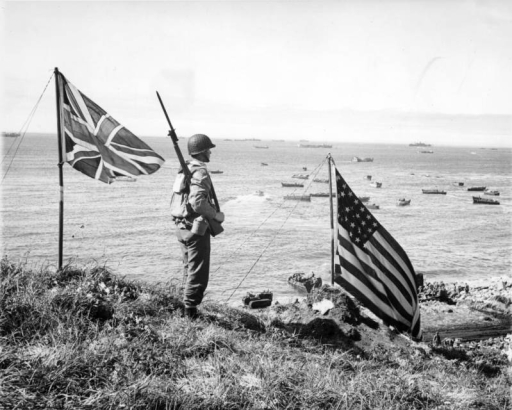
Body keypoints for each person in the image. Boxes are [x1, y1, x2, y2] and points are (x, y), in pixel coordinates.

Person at [171, 134, 225, 319]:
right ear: (202, 152)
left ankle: (186, 309)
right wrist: (215, 215)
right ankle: (190, 314)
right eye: (208, 149)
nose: (210, 151)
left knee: (189, 269)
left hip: (182, 227)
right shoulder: (200, 171)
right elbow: (197, 202)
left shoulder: (185, 169)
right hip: (195, 228)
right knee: (199, 273)